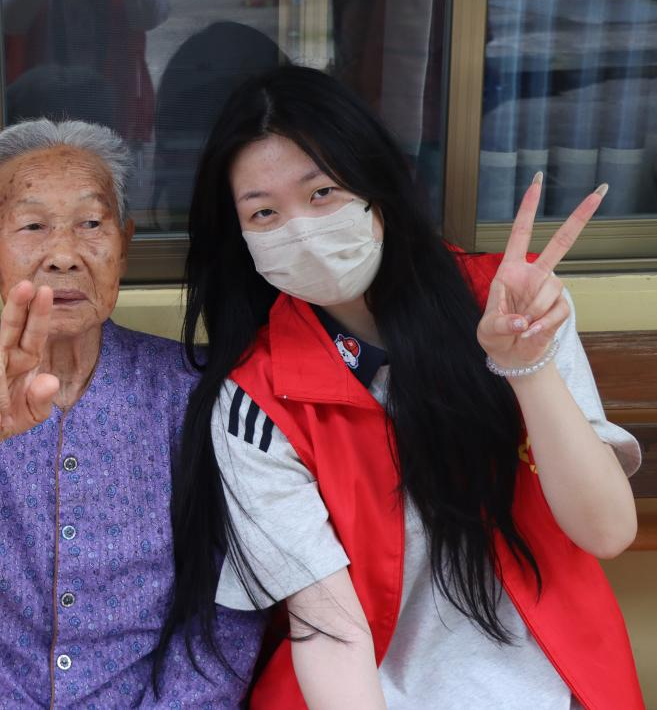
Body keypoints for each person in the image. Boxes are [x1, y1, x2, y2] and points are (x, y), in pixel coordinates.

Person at [157, 66, 643, 709]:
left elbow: (605, 531)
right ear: (241, 236)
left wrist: (527, 367)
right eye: (264, 212)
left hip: (554, 674)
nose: (301, 229)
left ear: (376, 188)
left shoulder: (510, 304)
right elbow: (329, 630)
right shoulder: (256, 399)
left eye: (322, 192)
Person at [0, 119, 264, 707]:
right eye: (33, 225)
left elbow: (228, 604)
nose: (65, 255)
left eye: (91, 224)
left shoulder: (187, 389)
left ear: (124, 245)